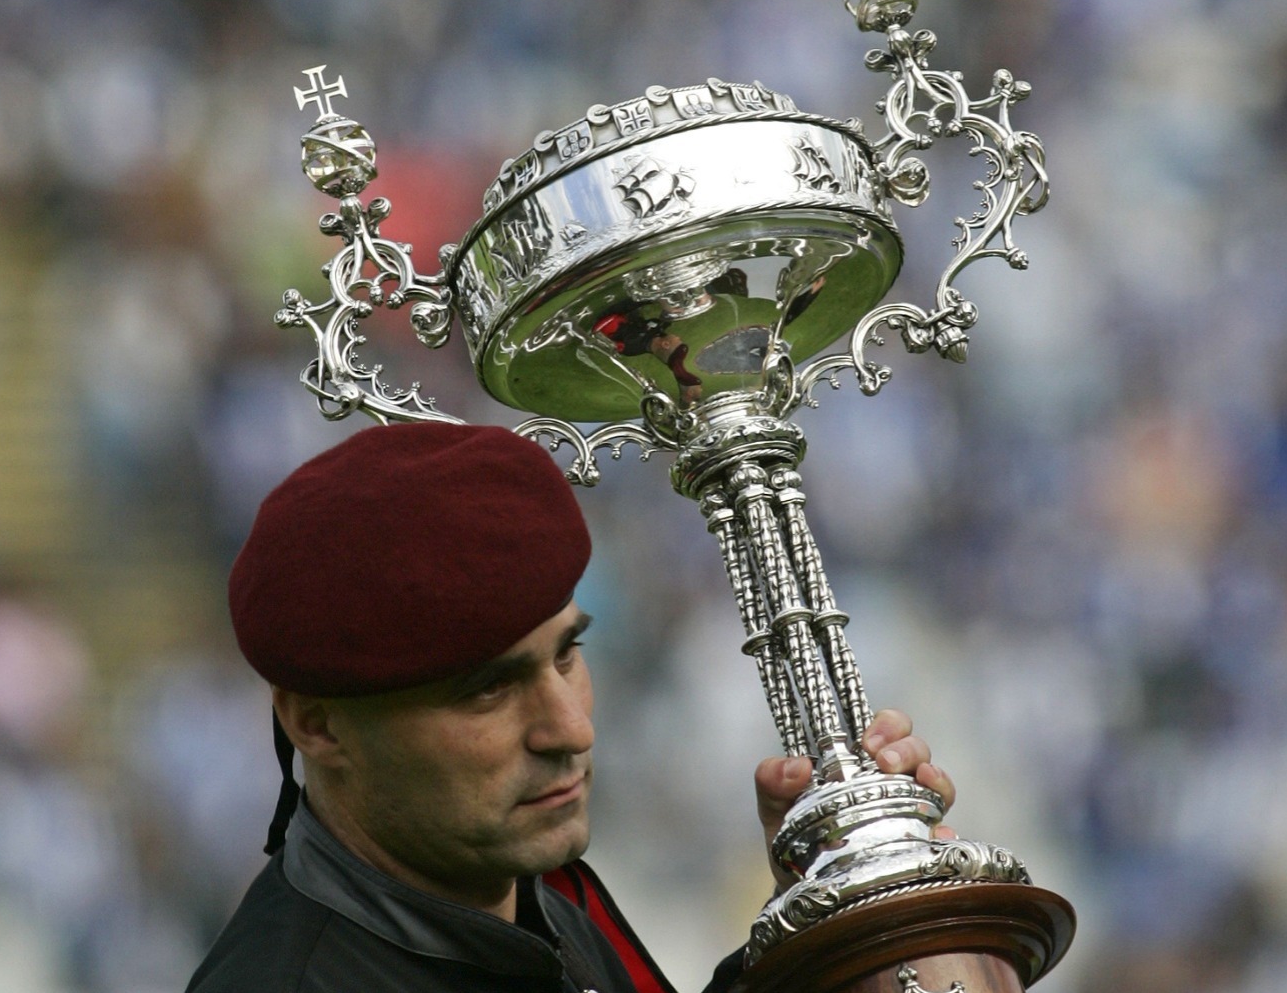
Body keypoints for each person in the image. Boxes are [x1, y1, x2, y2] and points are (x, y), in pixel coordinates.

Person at [186, 423, 955, 993]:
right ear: (317, 725)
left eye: (565, 654)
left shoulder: (513, 895)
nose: (572, 727)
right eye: (486, 687)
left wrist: (821, 919)